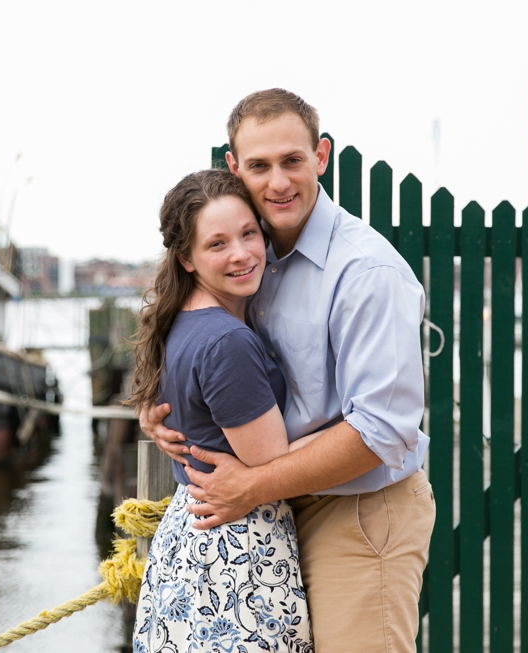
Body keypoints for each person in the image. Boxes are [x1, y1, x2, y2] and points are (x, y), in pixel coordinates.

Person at [141, 89, 436, 653]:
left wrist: (250, 486)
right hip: (271, 511)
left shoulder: (367, 271)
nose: (278, 182)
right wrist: (155, 411)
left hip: (357, 508)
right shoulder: (248, 253)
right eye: (259, 166)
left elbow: (382, 431)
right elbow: (180, 333)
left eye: (292, 161)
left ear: (321, 157)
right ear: (234, 168)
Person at [126, 169, 317, 653]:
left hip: (189, 543)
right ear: (186, 258)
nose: (241, 253)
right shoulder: (227, 340)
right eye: (217, 244)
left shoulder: (182, 322)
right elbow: (271, 461)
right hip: (236, 555)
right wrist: (365, 431)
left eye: (249, 233)